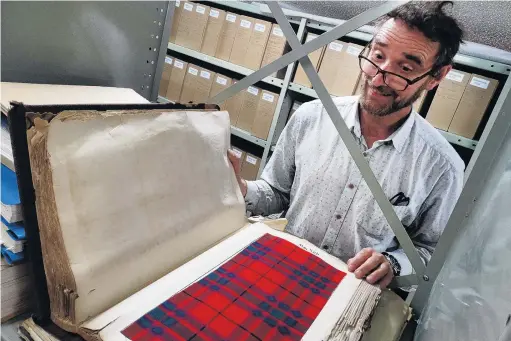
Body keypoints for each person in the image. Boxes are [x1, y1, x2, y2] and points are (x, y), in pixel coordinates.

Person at [229, 1, 465, 289]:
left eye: (404, 67)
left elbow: (429, 251)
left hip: (347, 298)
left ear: (436, 76)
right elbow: (276, 193)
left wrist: (393, 264)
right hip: (280, 271)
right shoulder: (310, 117)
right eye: (377, 55)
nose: (379, 77)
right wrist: (241, 189)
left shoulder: (443, 166)